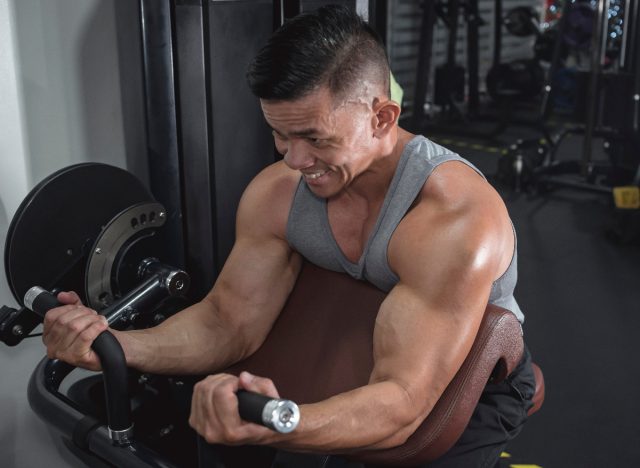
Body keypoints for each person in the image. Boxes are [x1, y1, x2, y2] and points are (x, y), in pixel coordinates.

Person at [42, 5, 535, 467]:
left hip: (464, 381)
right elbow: (227, 322)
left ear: (381, 117)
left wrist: (281, 424)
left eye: (316, 138)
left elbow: (404, 402)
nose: (293, 161)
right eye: (280, 134)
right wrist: (109, 346)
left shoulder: (454, 217)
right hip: (359, 352)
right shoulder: (278, 192)